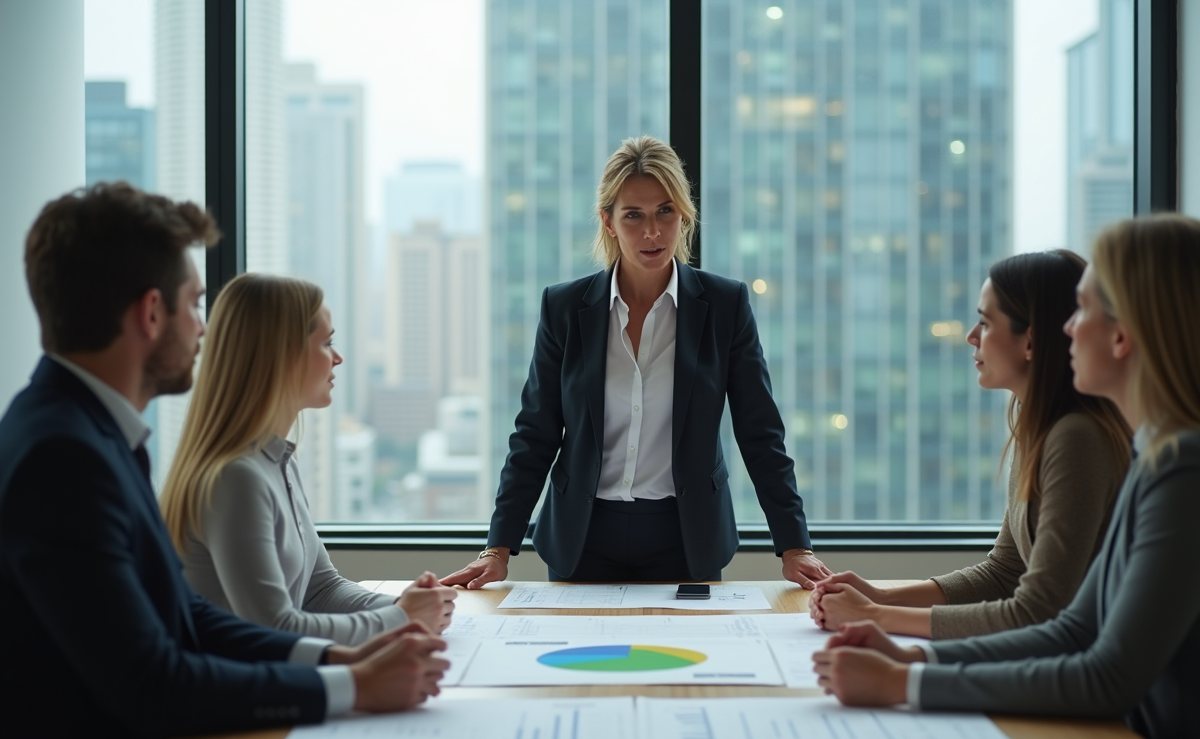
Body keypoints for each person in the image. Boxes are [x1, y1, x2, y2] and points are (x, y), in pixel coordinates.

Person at [0, 183, 449, 739]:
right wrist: (350, 686)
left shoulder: (90, 433)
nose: (204, 329)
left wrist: (334, 660)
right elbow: (152, 682)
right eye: (194, 304)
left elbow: (185, 614)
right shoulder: (63, 457)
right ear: (151, 313)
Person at [812, 214, 1200, 739]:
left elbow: (1103, 671)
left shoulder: (1176, 467)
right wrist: (914, 656)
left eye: (1083, 310)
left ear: (1122, 336)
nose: (1068, 328)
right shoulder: (1154, 456)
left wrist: (905, 678)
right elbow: (1069, 624)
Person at [442, 136, 833, 588]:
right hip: (583, 538)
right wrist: (498, 548)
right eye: (634, 215)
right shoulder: (564, 309)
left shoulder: (725, 306)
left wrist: (794, 546)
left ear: (684, 214)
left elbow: (759, 432)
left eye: (665, 211)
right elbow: (535, 435)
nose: (653, 232)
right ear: (607, 221)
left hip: (686, 538)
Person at [809, 251, 1130, 639]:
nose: (971, 336)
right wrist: (880, 598)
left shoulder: (1075, 437)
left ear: (1030, 341)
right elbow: (1005, 573)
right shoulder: (1038, 425)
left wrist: (875, 616)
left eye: (986, 323)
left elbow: (1038, 610)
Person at [161, 273, 456, 644]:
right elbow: (274, 629)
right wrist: (400, 618)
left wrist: (405, 607)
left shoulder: (277, 462)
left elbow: (321, 590)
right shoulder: (236, 477)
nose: (338, 358)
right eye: (327, 343)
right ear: (281, 355)